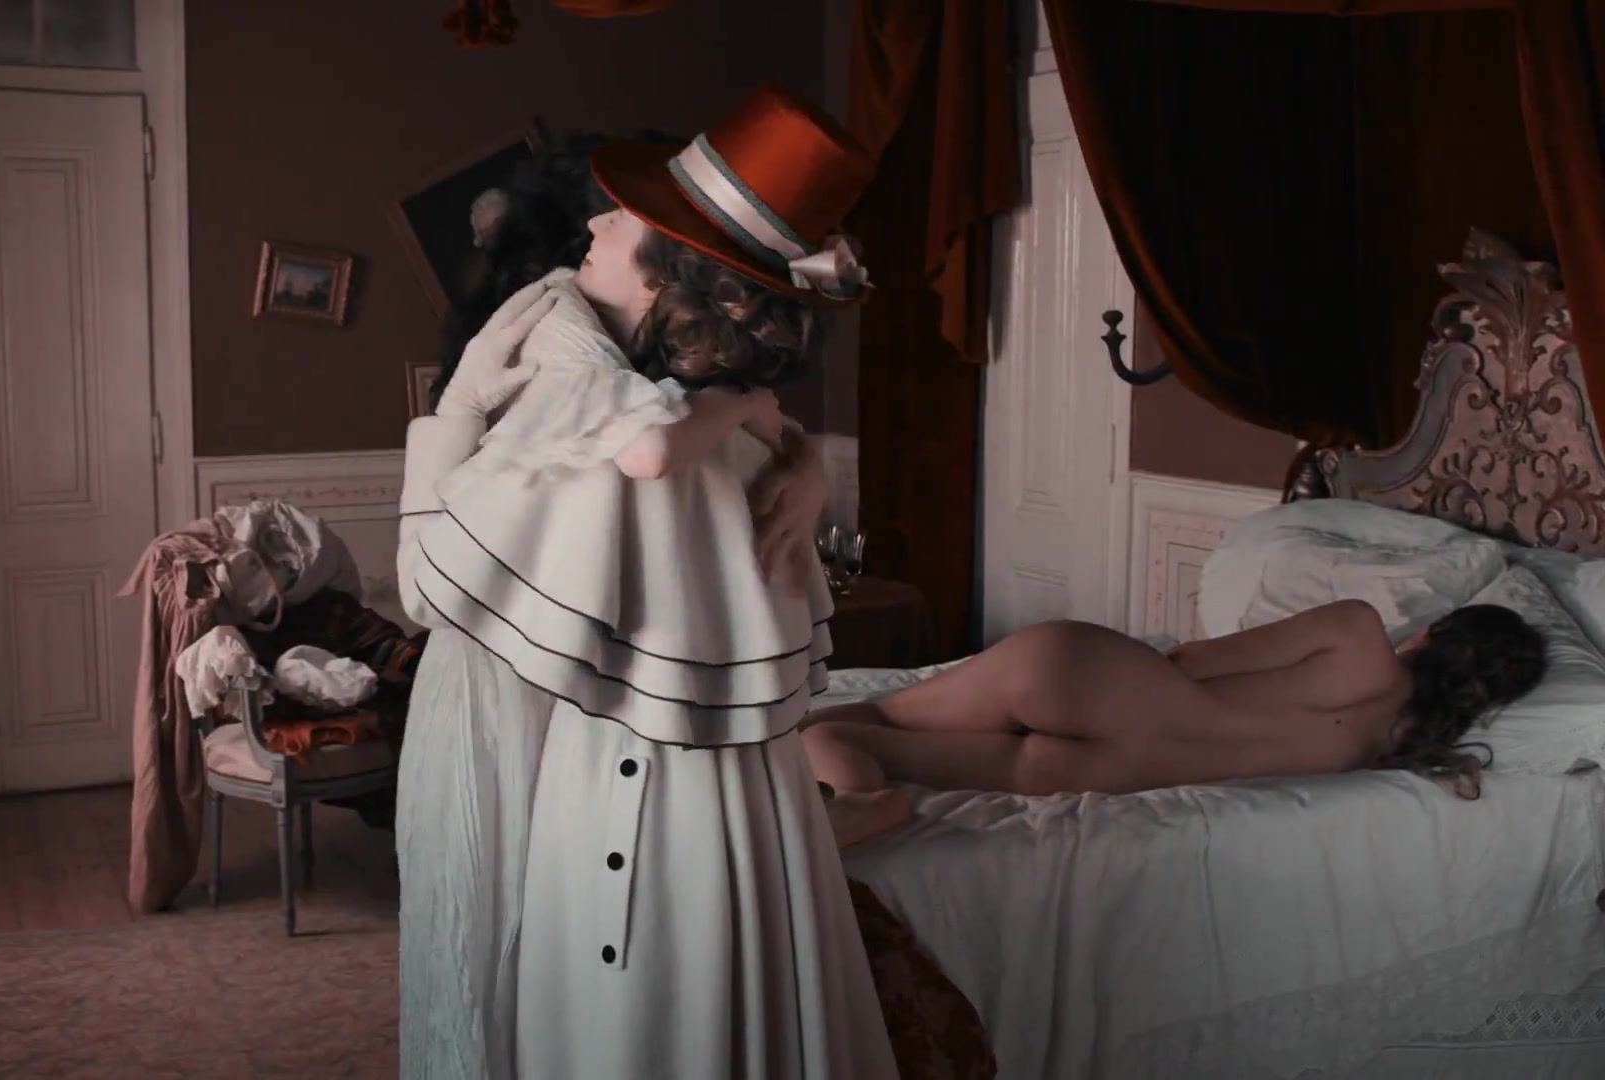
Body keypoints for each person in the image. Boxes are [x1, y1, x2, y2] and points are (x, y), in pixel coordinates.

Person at [400, 85, 898, 1077]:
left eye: (621, 217)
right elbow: (442, 583)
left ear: (680, 269)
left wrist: (792, 447)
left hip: (576, 731)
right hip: (504, 702)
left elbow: (665, 449)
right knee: (485, 960)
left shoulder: (649, 398)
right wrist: (769, 422)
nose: (590, 224)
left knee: (542, 971)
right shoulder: (578, 355)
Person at [803, 599, 1549, 846]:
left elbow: (1191, 661)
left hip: (1093, 686)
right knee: (865, 741)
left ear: (1437, 631)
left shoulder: (1359, 634)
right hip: (1106, 772)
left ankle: (857, 797)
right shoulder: (1384, 756)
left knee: (852, 717)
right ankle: (875, 797)